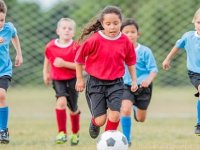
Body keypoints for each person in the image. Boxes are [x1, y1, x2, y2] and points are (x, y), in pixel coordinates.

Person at [75, 5, 138, 139]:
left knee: (115, 115)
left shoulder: (125, 41)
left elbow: (131, 62)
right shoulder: (95, 39)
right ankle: (94, 122)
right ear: (102, 24)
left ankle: (107, 141)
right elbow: (79, 59)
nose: (112, 27)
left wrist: (134, 80)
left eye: (116, 23)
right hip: (96, 83)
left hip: (116, 83)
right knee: (100, 120)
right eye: (108, 24)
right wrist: (80, 79)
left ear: (121, 23)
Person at [162, 8, 200, 136]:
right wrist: (167, 59)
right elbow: (176, 47)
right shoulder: (188, 36)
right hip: (195, 73)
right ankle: (199, 124)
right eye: (199, 22)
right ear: (194, 21)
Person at [120, 19, 158, 146]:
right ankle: (126, 140)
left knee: (141, 119)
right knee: (125, 109)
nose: (130, 35)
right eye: (126, 32)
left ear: (138, 34)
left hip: (143, 87)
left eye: (133, 32)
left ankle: (137, 108)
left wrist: (147, 80)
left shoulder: (145, 51)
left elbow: (153, 70)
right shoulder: (119, 50)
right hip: (126, 86)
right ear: (121, 34)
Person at [43, 18, 80, 145]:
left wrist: (64, 64)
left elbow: (82, 66)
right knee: (61, 102)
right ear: (57, 30)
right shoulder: (50, 46)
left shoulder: (76, 46)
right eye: (64, 28)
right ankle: (62, 133)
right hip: (58, 79)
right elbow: (48, 60)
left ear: (73, 32)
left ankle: (75, 133)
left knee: (73, 108)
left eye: (70, 28)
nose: (66, 30)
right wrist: (46, 73)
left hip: (73, 79)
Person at [0, 0, 23, 144]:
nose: (0, 23)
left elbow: (14, 36)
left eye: (1, 19)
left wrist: (19, 54)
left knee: (1, 95)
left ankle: (3, 130)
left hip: (4, 70)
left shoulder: (8, 28)